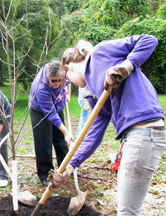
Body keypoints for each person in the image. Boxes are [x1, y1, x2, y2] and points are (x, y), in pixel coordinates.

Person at [51, 35, 166, 215]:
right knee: (128, 209)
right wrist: (71, 166)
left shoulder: (100, 53)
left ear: (69, 68)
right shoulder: (95, 90)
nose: (70, 83)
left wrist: (126, 67)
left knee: (127, 211)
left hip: (144, 132)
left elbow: (149, 40)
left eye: (68, 78)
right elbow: (94, 134)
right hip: (137, 136)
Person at [29, 60, 73, 186]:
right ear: (48, 77)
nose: (57, 83)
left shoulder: (65, 73)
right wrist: (66, 131)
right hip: (40, 111)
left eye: (60, 80)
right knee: (44, 143)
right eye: (53, 81)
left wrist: (68, 94)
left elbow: (69, 81)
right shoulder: (41, 86)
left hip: (57, 105)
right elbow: (50, 114)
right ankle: (45, 174)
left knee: (61, 140)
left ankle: (65, 169)